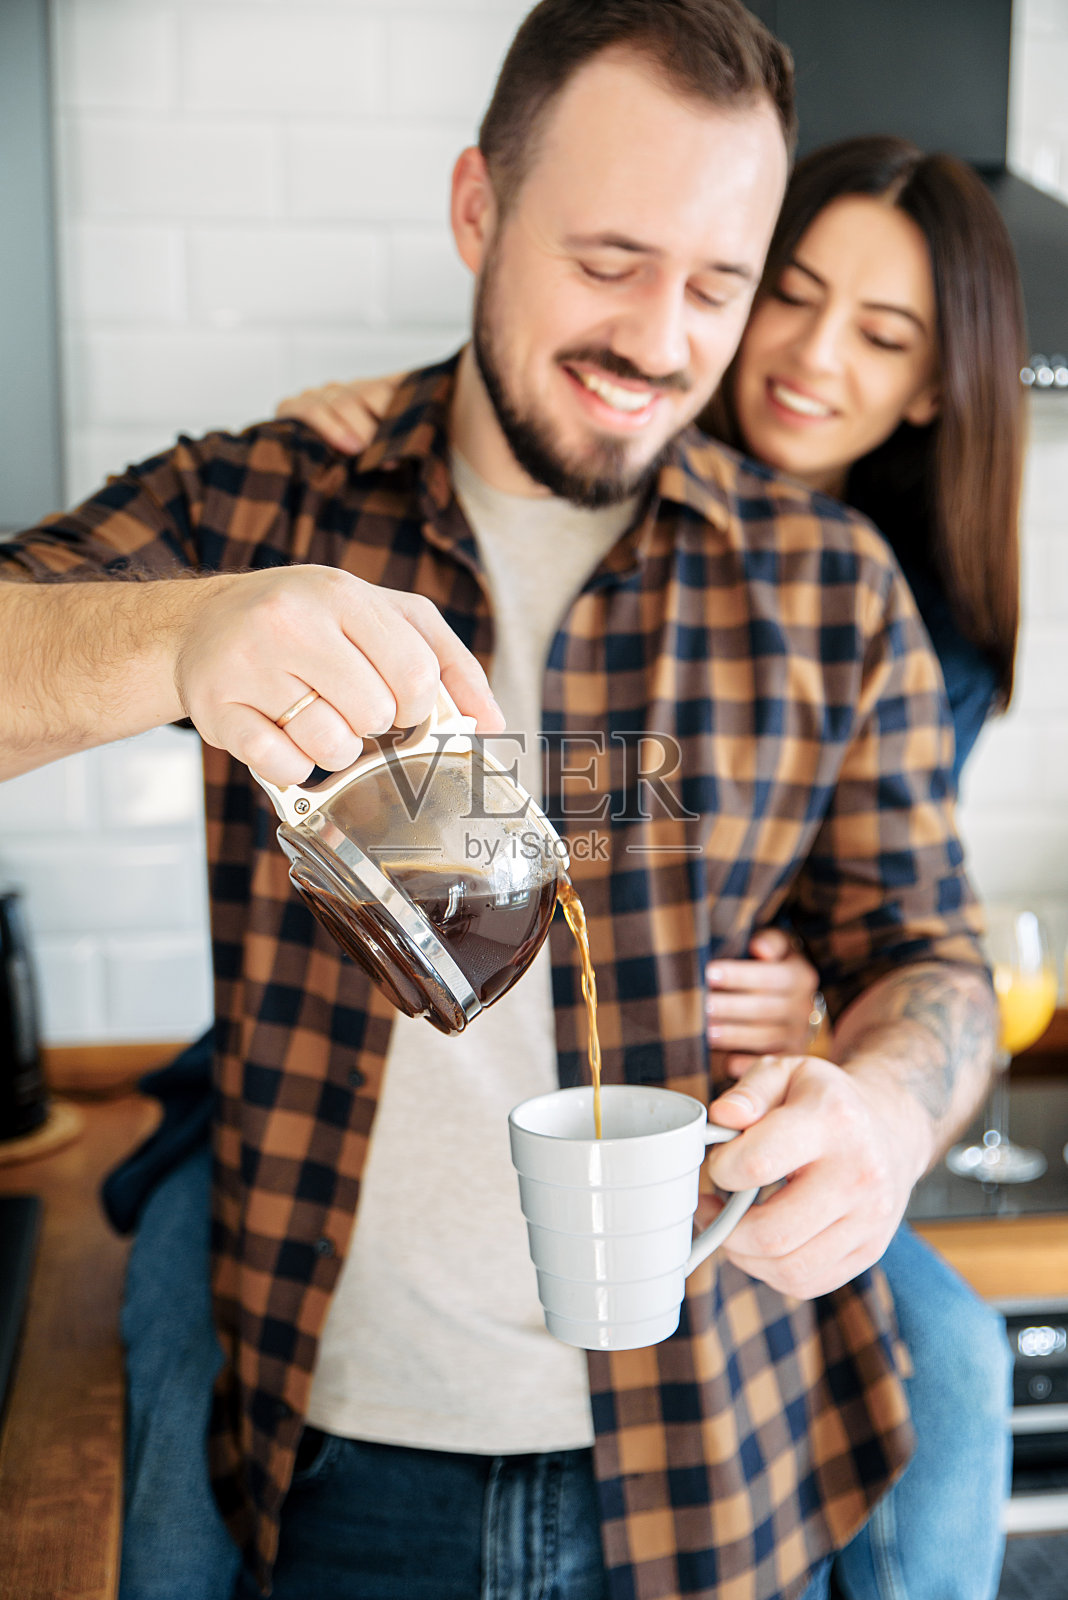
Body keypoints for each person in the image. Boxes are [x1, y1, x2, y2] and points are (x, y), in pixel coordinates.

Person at [0, 6, 999, 1600]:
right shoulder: (268, 503)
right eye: (608, 260)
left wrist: (884, 1110)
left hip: (719, 1475)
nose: (664, 341)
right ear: (478, 209)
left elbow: (934, 959)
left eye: (719, 285)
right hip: (343, 1470)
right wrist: (173, 636)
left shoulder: (828, 587)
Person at [268, 132, 1023, 1600]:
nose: (809, 356)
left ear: (935, 385)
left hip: (750, 1138)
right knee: (171, 1373)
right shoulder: (509, 495)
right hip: (379, 1289)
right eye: (786, 296)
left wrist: (847, 1039)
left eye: (882, 334)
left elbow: (909, 931)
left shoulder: (882, 595)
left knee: (952, 1364)